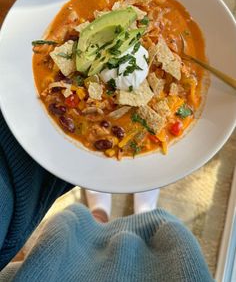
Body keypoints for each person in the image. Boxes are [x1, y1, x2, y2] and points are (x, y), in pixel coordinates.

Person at [0, 111, 213, 281]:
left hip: (51, 267)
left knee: (86, 224)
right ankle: (144, 213)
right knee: (154, 229)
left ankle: (98, 215)